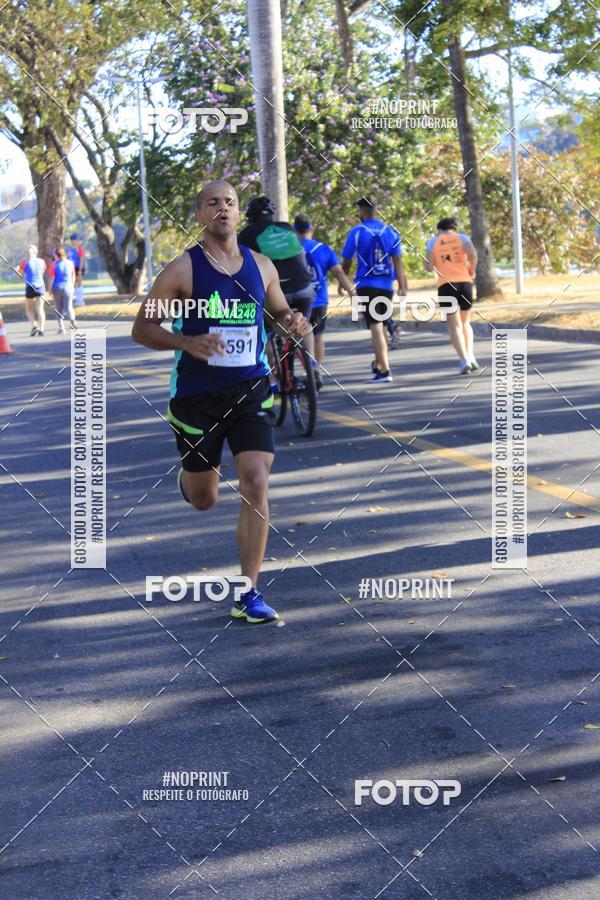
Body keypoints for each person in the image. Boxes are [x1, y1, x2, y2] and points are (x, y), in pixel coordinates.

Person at [132, 180, 309, 624]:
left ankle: (248, 593)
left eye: (229, 202)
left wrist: (293, 322)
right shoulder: (182, 270)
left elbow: (280, 314)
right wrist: (186, 341)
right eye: (212, 202)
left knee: (255, 481)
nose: (223, 209)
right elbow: (143, 329)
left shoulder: (262, 265)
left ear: (237, 214)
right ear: (200, 215)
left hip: (249, 390)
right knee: (205, 498)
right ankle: (190, 482)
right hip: (196, 398)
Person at [238, 196, 316, 358]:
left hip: (274, 291)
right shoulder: (288, 228)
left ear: (250, 217)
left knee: (262, 330)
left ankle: (273, 376)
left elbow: (239, 266)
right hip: (303, 287)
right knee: (303, 325)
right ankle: (313, 367)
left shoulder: (246, 234)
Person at [341, 197, 407, 383]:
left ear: (361, 213)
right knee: (383, 326)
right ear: (376, 211)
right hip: (386, 285)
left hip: (366, 284)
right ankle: (378, 365)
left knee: (375, 326)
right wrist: (401, 286)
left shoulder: (357, 232)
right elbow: (398, 262)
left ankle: (385, 370)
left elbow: (347, 261)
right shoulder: (391, 232)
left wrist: (342, 281)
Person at [293, 213, 355, 388]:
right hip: (320, 301)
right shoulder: (324, 249)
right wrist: (351, 290)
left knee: (297, 337)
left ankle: (310, 369)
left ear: (295, 230)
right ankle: (315, 369)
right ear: (311, 229)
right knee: (318, 335)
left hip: (298, 300)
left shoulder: (291, 248)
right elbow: (338, 272)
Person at [425, 216, 479, 374]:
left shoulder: (432, 241)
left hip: (446, 285)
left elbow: (429, 267)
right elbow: (473, 254)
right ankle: (470, 356)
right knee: (465, 323)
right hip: (465, 283)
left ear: (439, 229)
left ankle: (464, 361)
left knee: (454, 326)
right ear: (454, 228)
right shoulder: (462, 238)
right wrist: (472, 269)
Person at [18, 245, 46, 336]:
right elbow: (42, 272)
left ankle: (34, 325)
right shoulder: (42, 262)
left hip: (30, 287)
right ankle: (41, 330)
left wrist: (17, 270)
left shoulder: (25, 263)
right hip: (40, 287)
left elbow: (20, 276)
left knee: (29, 309)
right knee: (40, 309)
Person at [51, 247, 77, 333]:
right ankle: (72, 319)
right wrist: (72, 286)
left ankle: (62, 328)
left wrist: (49, 289)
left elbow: (52, 277)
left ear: (56, 255)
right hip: (68, 286)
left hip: (57, 287)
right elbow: (73, 276)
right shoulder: (70, 263)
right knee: (69, 306)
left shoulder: (54, 264)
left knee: (59, 308)